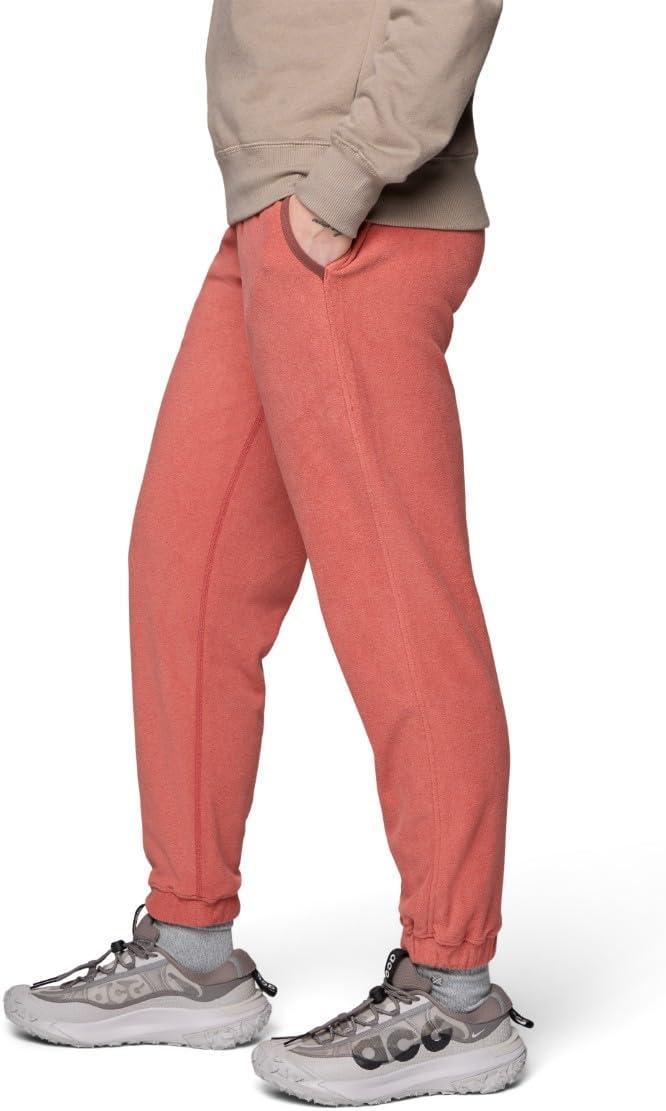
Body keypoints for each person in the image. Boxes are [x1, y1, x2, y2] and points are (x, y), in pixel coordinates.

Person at [5, 0, 533, 1101]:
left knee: (397, 604)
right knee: (184, 571)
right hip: (277, 214)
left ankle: (454, 985)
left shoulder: (343, 195)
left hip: (353, 214)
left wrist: (348, 179)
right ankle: (192, 949)